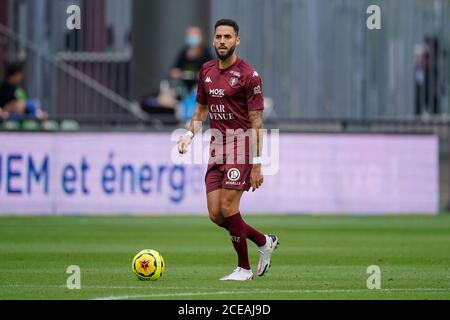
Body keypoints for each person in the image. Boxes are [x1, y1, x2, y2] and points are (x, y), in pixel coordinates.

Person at [177, 19, 278, 281]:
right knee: (215, 214)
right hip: (217, 146)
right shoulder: (206, 70)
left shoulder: (249, 75)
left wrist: (257, 163)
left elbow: (256, 122)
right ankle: (264, 241)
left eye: (228, 37)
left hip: (241, 144)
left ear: (237, 41)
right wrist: (188, 136)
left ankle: (243, 269)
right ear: (213, 40)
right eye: (219, 37)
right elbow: (200, 111)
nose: (222, 41)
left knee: (228, 205)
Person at [170, 26, 213, 93]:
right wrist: (177, 73)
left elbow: (212, 71)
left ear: (200, 37)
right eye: (190, 35)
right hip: (184, 87)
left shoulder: (206, 52)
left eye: (194, 35)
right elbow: (174, 70)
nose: (192, 37)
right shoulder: (183, 52)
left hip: (200, 88)